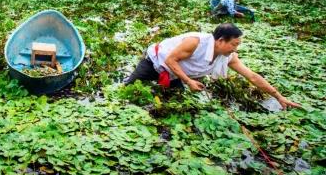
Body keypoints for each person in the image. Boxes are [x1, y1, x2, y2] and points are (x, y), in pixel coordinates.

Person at [124, 23, 300, 110]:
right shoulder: (195, 42)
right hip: (154, 63)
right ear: (221, 41)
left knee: (176, 104)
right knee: (126, 93)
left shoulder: (228, 57)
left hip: (174, 75)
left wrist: (279, 97)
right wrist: (189, 81)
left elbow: (252, 77)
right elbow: (170, 60)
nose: (235, 49)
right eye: (234, 44)